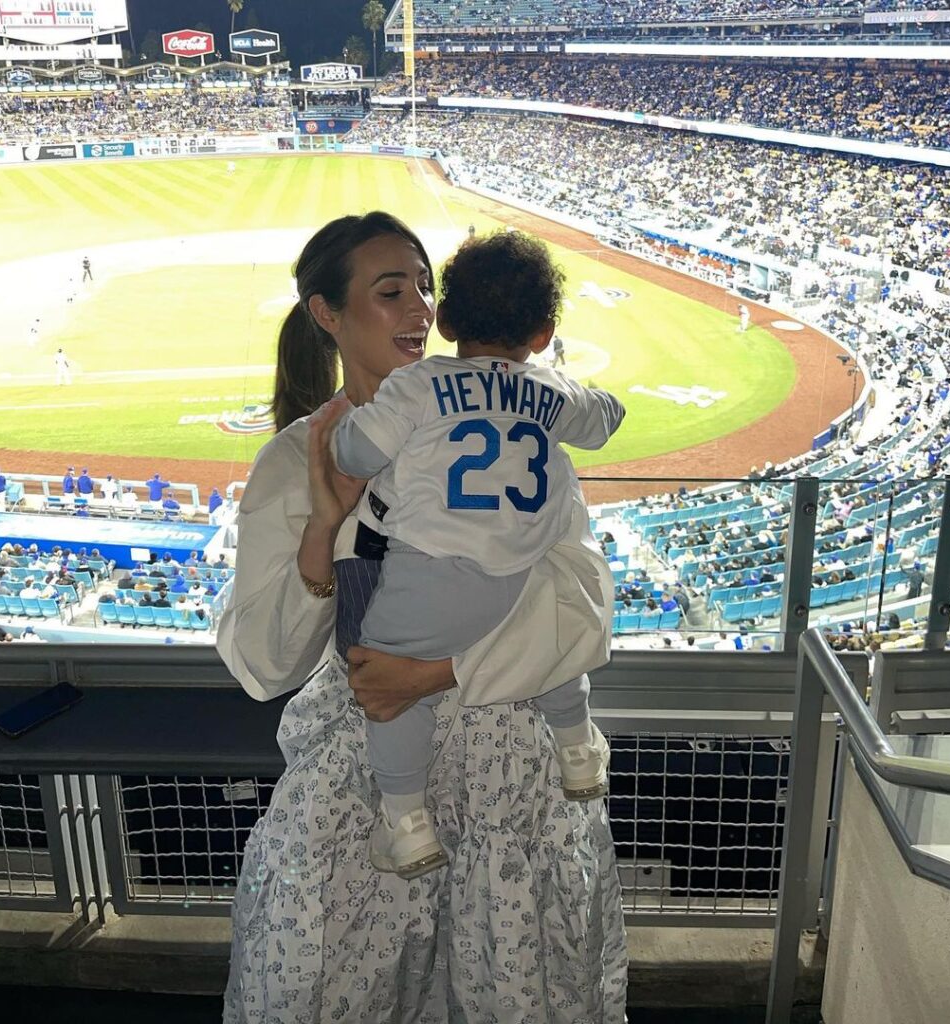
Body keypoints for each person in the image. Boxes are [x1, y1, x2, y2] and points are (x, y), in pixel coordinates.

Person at [216, 212, 627, 1020]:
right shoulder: (294, 460)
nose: (415, 308)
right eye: (389, 290)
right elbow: (263, 666)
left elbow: (582, 612)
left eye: (424, 287)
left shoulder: (515, 436)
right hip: (366, 778)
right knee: (344, 988)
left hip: (507, 780)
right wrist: (321, 537)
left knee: (514, 988)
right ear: (326, 314)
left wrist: (432, 674)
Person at [333, 230, 624, 876]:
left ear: (450, 320)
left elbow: (355, 453)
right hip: (516, 582)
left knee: (390, 679)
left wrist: (348, 427)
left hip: (427, 574)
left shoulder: (420, 384)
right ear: (543, 332)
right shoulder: (551, 392)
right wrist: (578, 392)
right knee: (555, 626)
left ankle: (406, 820)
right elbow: (605, 417)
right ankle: (576, 746)